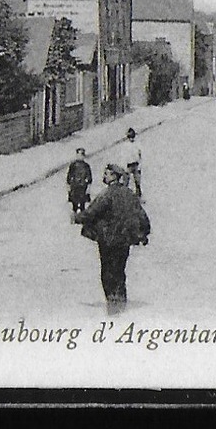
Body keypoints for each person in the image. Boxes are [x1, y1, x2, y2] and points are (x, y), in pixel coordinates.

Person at [73, 164, 151, 315]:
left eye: (107, 174)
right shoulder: (129, 194)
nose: (104, 176)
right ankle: (121, 301)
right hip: (124, 240)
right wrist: (144, 233)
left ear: (114, 176)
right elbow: (141, 215)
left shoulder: (107, 195)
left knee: (108, 271)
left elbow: (91, 212)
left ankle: (113, 303)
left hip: (108, 239)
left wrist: (76, 218)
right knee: (120, 270)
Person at [65, 147, 93, 215]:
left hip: (82, 187)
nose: (80, 156)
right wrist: (69, 185)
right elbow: (69, 175)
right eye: (78, 155)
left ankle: (81, 216)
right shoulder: (73, 165)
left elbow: (89, 177)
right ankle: (75, 216)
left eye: (81, 155)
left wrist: (88, 185)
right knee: (74, 203)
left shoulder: (86, 166)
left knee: (82, 203)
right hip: (74, 186)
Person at [124, 128, 143, 196]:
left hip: (135, 164)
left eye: (132, 137)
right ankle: (124, 195)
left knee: (137, 181)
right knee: (126, 181)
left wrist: (139, 166)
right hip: (129, 165)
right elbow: (124, 156)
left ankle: (138, 194)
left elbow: (140, 155)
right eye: (129, 137)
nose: (131, 139)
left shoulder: (137, 144)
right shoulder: (126, 145)